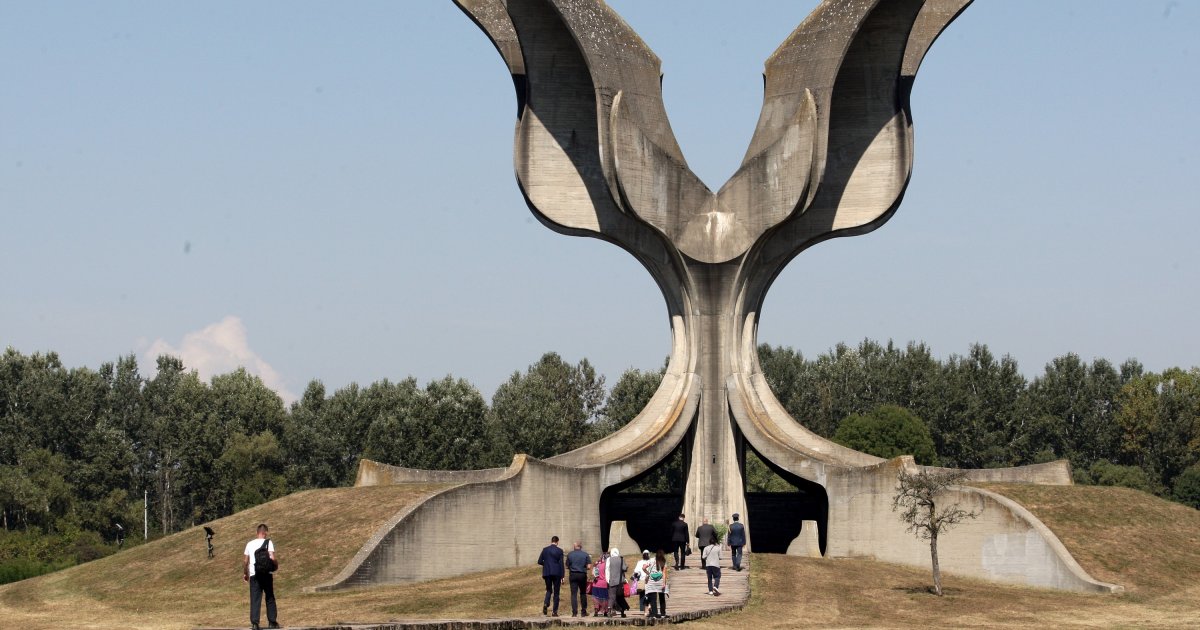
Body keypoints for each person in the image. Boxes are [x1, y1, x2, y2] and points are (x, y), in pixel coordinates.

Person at [242, 523, 279, 630]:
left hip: (254, 575)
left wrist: (246, 573)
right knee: (270, 597)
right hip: (267, 574)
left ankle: (255, 623)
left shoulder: (249, 544)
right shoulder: (268, 542)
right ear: (265, 532)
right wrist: (276, 566)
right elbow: (272, 558)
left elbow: (245, 561)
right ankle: (272, 622)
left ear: (257, 532)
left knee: (255, 599)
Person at [537, 535, 566, 616]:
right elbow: (561, 564)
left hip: (547, 573)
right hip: (556, 573)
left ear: (551, 541)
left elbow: (539, 561)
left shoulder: (545, 550)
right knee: (556, 593)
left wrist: (545, 564)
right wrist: (562, 576)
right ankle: (554, 612)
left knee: (549, 590)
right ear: (557, 542)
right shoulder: (559, 551)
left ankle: (546, 603)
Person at [565, 541, 591, 617]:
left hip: (573, 575)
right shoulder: (585, 554)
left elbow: (567, 566)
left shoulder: (570, 554)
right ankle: (583, 611)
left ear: (574, 546)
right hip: (582, 575)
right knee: (583, 593)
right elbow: (589, 566)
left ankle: (574, 612)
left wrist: (572, 567)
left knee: (573, 594)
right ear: (581, 546)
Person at [644, 549, 669, 618]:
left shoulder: (651, 560)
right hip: (660, 581)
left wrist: (648, 573)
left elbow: (644, 568)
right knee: (662, 598)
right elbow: (664, 573)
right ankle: (663, 613)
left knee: (653, 599)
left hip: (652, 582)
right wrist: (664, 583)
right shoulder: (663, 561)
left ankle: (654, 613)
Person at [605, 547, 629, 617]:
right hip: (620, 581)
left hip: (611, 581)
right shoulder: (621, 559)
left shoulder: (609, 559)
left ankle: (609, 610)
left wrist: (607, 580)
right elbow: (624, 568)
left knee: (611, 596)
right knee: (620, 597)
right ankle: (622, 612)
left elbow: (607, 570)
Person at [591, 550, 609, 616]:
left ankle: (596, 610)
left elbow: (593, 574)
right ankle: (605, 611)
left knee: (596, 597)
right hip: (604, 584)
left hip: (596, 584)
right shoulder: (606, 566)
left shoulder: (597, 565)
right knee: (604, 598)